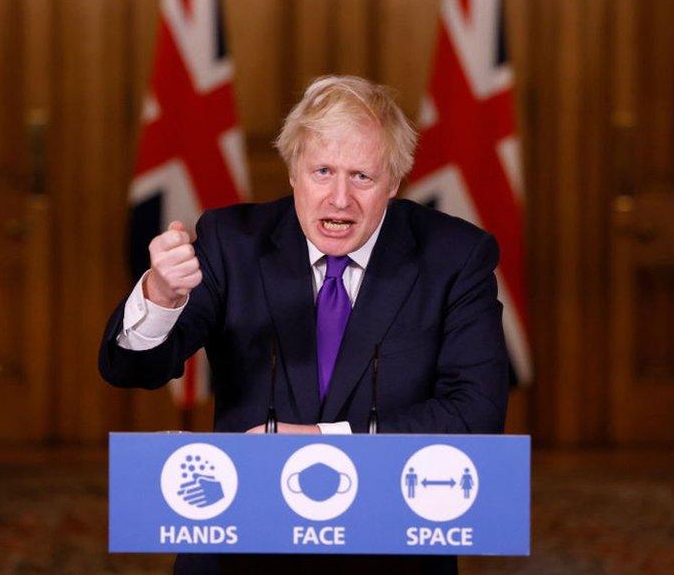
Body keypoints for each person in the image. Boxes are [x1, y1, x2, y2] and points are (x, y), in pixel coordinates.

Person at [99, 75, 509, 574]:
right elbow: (130, 370)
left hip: (389, 541)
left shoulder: (455, 257)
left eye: (362, 176)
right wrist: (159, 298)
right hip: (241, 539)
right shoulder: (232, 242)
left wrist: (324, 440)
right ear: (293, 171)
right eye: (322, 171)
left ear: (394, 182)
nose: (339, 198)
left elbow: (477, 413)